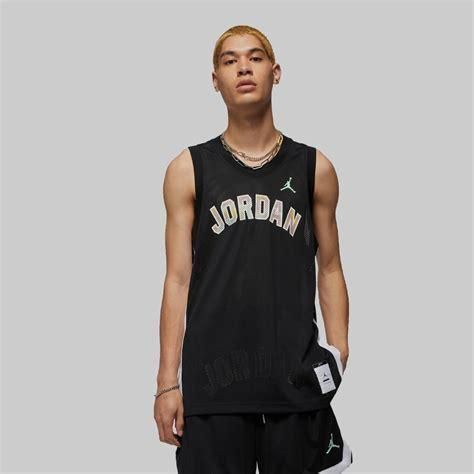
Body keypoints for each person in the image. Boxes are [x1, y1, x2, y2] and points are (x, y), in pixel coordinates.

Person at [154, 24, 354, 473]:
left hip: (295, 384)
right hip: (213, 387)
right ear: (215, 80)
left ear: (275, 72)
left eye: (255, 57)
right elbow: (177, 279)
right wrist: (167, 383)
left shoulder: (314, 167)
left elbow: (330, 267)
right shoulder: (188, 169)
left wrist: (339, 350)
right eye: (230, 61)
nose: (243, 67)